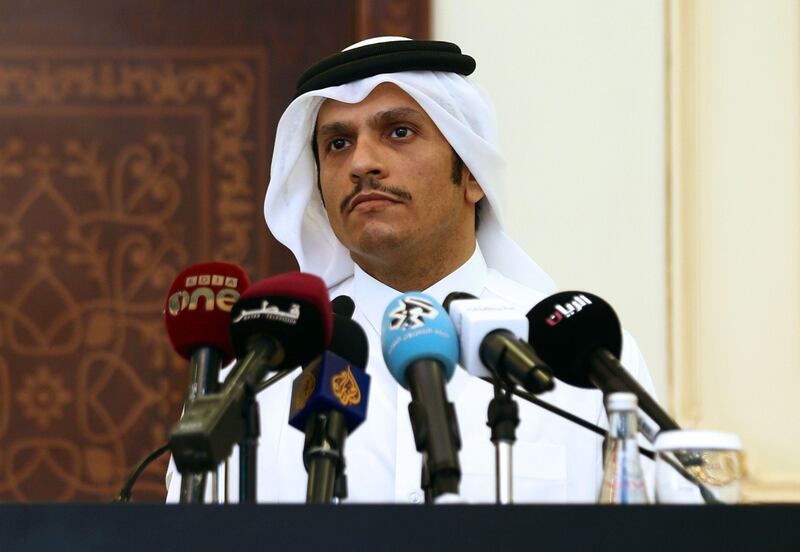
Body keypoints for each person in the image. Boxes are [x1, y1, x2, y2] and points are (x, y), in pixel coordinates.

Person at [166, 36, 656, 503]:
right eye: (337, 143)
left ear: (471, 174)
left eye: (399, 132)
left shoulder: (582, 361)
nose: (361, 163)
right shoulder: (254, 379)